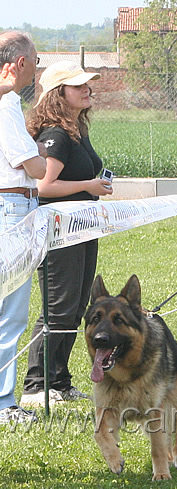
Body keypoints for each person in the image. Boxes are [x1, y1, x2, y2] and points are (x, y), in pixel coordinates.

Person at [20, 60, 113, 407]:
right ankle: (35, 385)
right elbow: (45, 185)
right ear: (59, 94)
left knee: (74, 309)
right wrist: (89, 184)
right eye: (79, 85)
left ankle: (59, 381)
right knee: (58, 309)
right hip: (60, 231)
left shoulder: (76, 130)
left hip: (82, 227)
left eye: (87, 83)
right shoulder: (56, 135)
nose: (88, 89)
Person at [0, 31, 47, 424]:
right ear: (18, 63)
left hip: (14, 204)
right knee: (11, 312)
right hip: (13, 206)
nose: (38, 66)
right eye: (35, 59)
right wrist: (38, 162)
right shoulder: (7, 105)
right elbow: (32, 165)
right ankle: (3, 403)